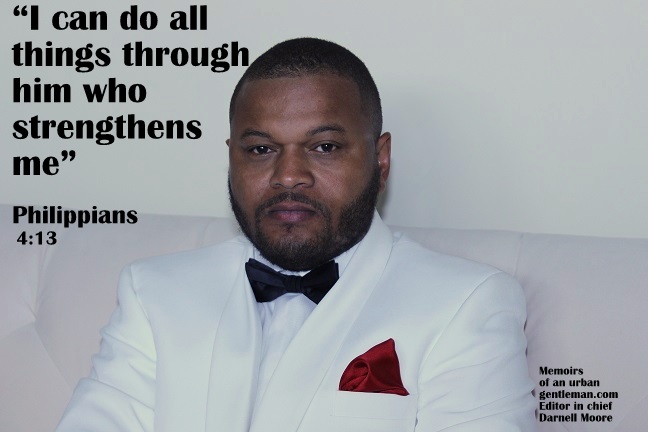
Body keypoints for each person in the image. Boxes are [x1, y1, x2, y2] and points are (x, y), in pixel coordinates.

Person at [56, 37, 536, 432]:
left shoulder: (466, 303)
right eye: (261, 149)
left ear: (381, 159)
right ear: (231, 157)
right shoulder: (153, 292)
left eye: (324, 147)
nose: (288, 175)